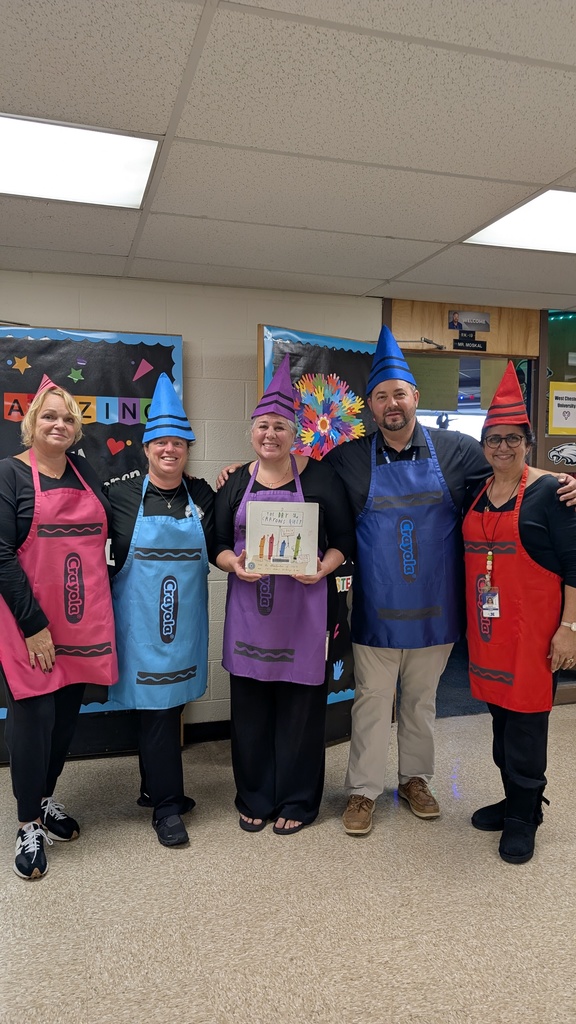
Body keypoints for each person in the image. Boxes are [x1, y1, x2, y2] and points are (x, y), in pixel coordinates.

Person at [324, 328, 576, 837]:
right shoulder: (349, 457)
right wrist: (244, 472)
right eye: (381, 396)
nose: (391, 404)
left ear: (415, 397)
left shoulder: (458, 450)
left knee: (420, 702)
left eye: (400, 393)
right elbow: (302, 479)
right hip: (376, 610)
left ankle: (414, 779)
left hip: (437, 612)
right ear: (370, 407)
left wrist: (565, 478)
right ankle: (364, 791)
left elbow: (514, 466)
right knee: (372, 700)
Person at [215, 356, 355, 835]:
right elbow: (214, 543)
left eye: (279, 426)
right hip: (250, 614)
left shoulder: (318, 478)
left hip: (304, 613)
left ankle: (298, 799)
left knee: (300, 713)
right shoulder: (235, 482)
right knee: (250, 713)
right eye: (262, 427)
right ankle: (254, 795)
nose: (269, 434)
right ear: (251, 431)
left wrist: (323, 568)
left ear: (294, 431)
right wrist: (233, 563)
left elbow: (345, 542)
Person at [0, 375, 117, 879]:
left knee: (65, 720)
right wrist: (34, 626)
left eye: (68, 418)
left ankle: (45, 799)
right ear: (31, 424)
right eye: (50, 415)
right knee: (34, 722)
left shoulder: (84, 472)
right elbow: (1, 553)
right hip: (30, 625)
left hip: (79, 622)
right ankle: (27, 823)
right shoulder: (10, 475)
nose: (59, 424)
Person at [463, 362, 576, 864]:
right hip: (490, 634)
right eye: (494, 439)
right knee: (501, 726)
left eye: (512, 439)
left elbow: (574, 563)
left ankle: (524, 816)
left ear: (527, 442)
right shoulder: (475, 490)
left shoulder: (553, 491)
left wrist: (570, 629)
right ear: (483, 444)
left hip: (535, 636)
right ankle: (514, 798)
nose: (502, 448)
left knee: (527, 729)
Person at [107, 374, 214, 848]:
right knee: (157, 712)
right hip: (142, 632)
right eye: (161, 442)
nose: (170, 450)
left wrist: (238, 473)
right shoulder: (120, 496)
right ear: (146, 447)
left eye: (178, 443)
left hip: (184, 627)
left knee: (169, 711)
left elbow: (235, 519)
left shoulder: (203, 497)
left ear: (187, 449)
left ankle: (154, 787)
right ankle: (168, 809)